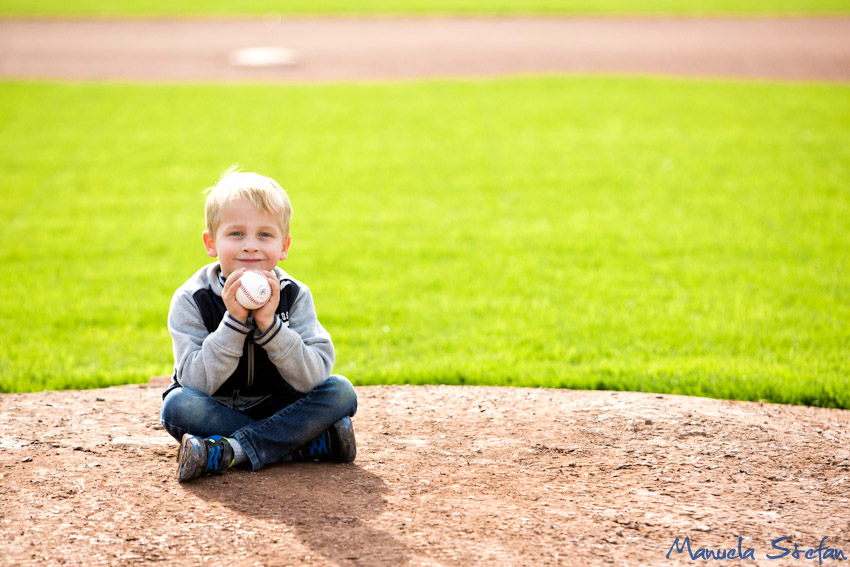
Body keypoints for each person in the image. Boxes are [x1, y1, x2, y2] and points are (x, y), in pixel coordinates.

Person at [160, 166, 357, 482]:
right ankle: (300, 446)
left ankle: (231, 451)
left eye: (265, 234)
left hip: (280, 405)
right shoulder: (192, 298)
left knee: (341, 391)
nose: (250, 245)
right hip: (216, 409)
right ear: (211, 243)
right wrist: (234, 322)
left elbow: (314, 377)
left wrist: (272, 329)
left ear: (284, 246)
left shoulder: (294, 294)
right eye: (236, 233)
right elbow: (194, 383)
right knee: (178, 405)